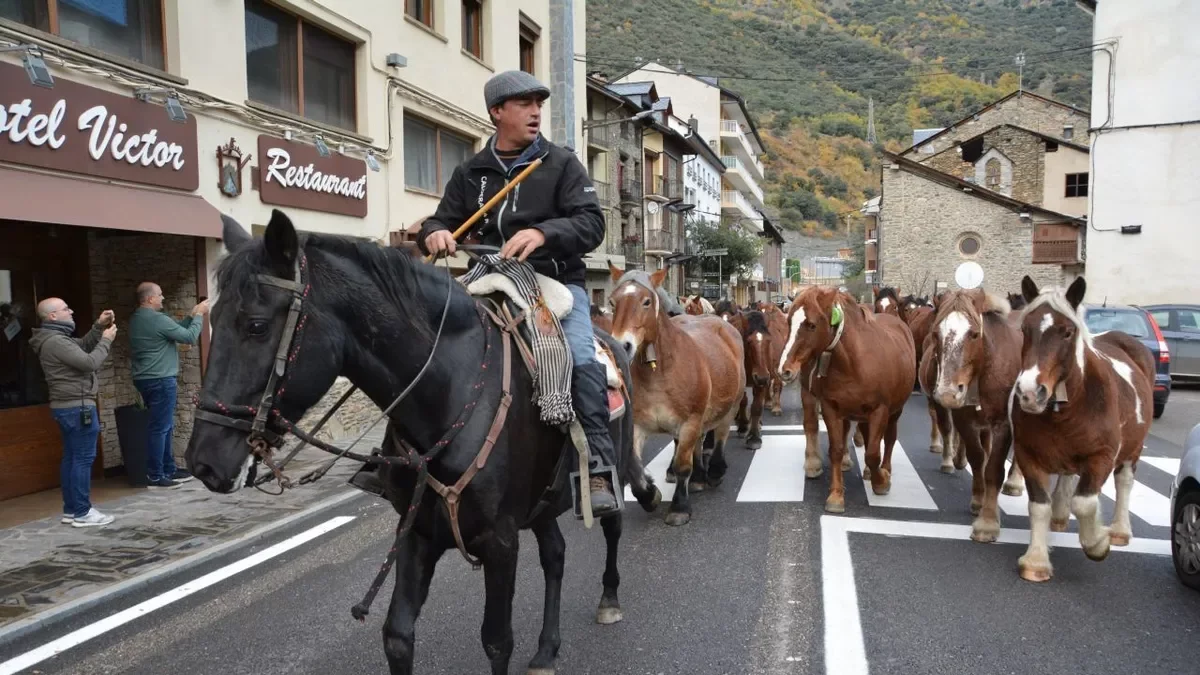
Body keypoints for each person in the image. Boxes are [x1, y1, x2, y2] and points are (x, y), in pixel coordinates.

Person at [417, 70, 620, 516]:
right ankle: (409, 458)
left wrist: (543, 233)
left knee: (582, 360)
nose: (535, 113)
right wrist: (433, 234)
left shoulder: (563, 164)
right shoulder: (471, 172)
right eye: (524, 104)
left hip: (554, 284)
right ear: (497, 112)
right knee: (425, 346)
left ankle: (599, 470)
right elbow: (440, 220)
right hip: (487, 279)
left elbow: (591, 223)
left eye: (538, 104)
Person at [29, 299, 118, 527]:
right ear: (53, 317)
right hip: (77, 407)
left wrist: (98, 327)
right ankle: (82, 512)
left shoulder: (55, 340)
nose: (71, 311)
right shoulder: (56, 341)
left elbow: (82, 346)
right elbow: (89, 362)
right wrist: (106, 340)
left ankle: (71, 510)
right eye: (66, 309)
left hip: (67, 407)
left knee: (72, 457)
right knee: (83, 459)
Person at [129, 283, 209, 487]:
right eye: (160, 295)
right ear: (149, 299)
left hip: (146, 379)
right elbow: (189, 336)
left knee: (164, 426)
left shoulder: (138, 318)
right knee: (160, 427)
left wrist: (191, 316)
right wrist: (200, 315)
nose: (163, 298)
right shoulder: (156, 319)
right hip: (160, 380)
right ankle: (156, 474)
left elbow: (176, 331)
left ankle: (169, 469)